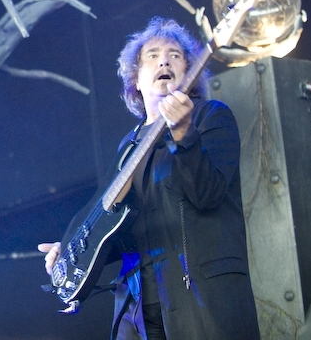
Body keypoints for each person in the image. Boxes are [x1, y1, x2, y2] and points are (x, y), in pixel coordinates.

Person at [39, 17, 260, 339]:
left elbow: (208, 195)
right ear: (136, 80)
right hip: (136, 304)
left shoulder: (211, 116)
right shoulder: (127, 145)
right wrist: (72, 251)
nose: (164, 61)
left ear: (189, 72)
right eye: (152, 56)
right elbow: (119, 230)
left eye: (175, 55)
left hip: (198, 297)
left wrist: (184, 134)